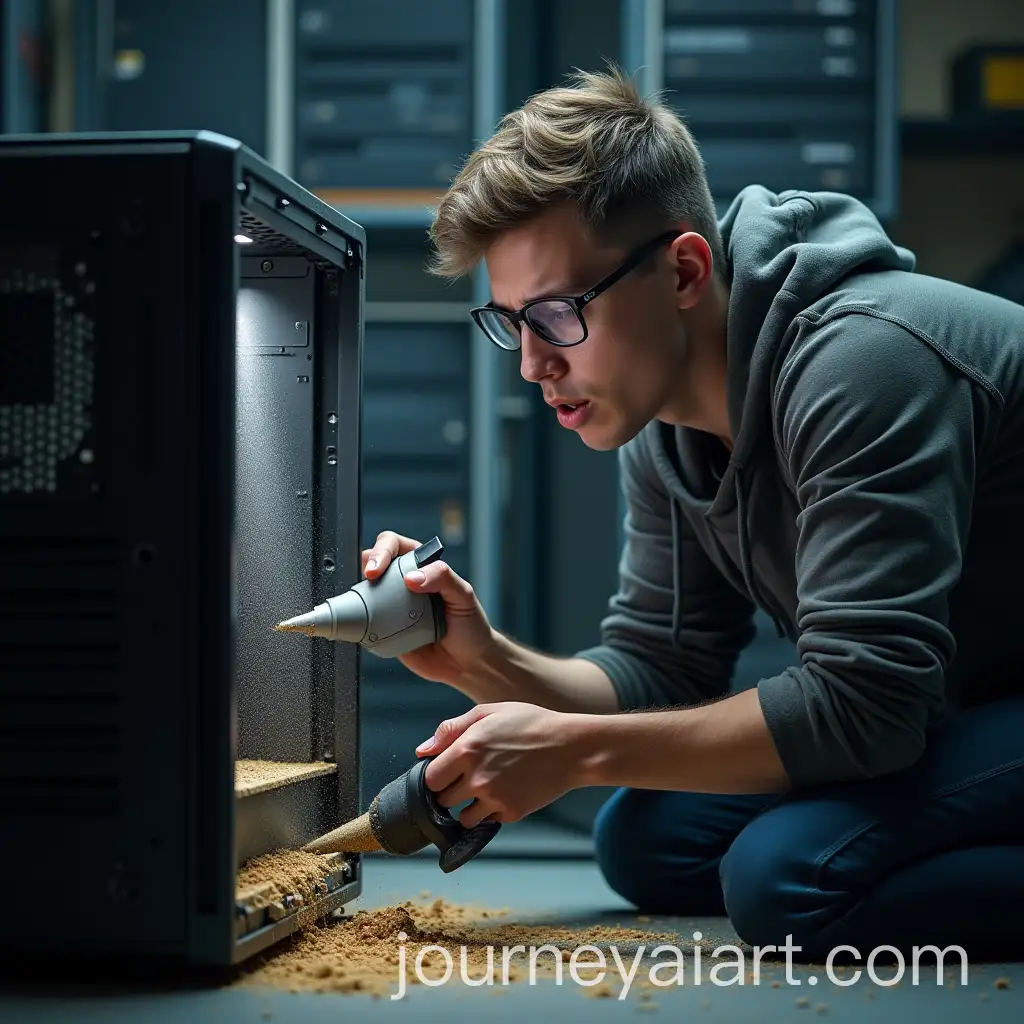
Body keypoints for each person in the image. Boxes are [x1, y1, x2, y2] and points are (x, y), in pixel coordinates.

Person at [360, 66, 1024, 960]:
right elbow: (661, 668)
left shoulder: (867, 362)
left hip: (972, 704)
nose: (531, 365)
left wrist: (576, 752)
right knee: (649, 840)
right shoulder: (663, 419)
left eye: (556, 315)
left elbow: (866, 705)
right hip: (959, 704)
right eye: (512, 321)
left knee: (783, 879)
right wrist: (486, 661)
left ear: (682, 270)